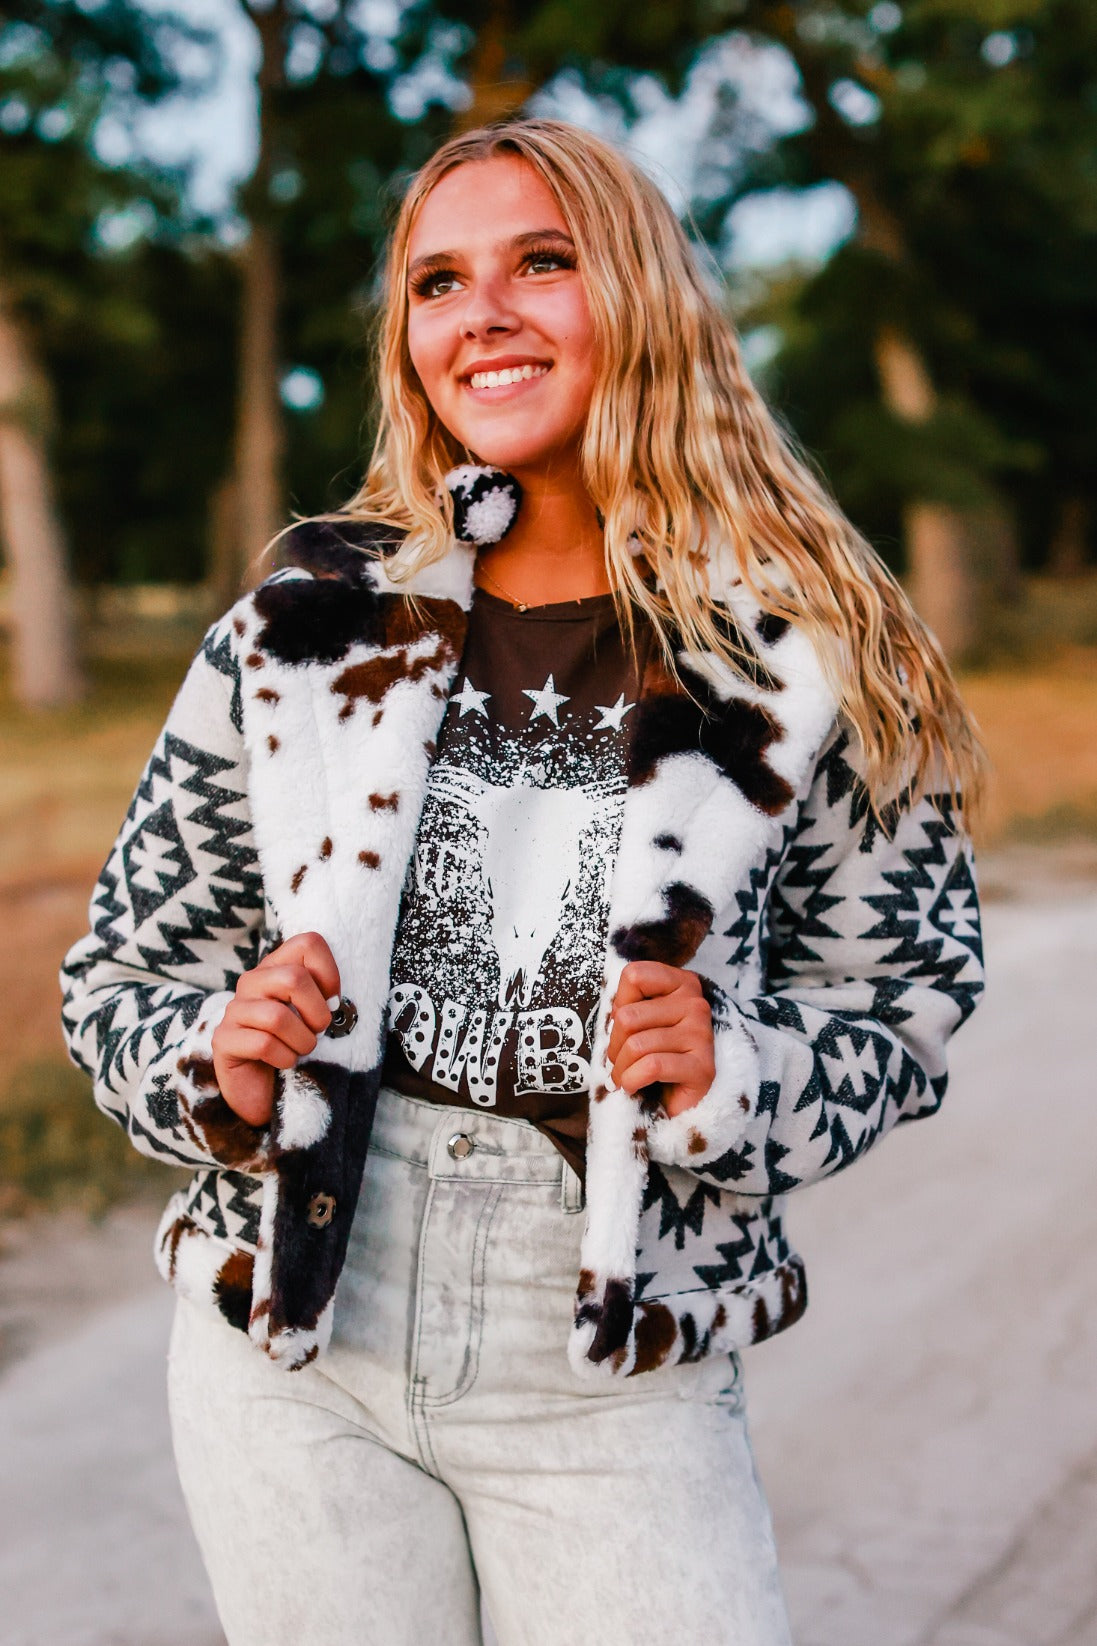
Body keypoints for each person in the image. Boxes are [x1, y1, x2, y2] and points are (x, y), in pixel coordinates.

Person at [60, 117, 986, 1646]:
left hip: (612, 1355)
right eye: (437, 282)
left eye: (539, 263)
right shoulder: (306, 622)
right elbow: (122, 972)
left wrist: (732, 1071)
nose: (480, 313)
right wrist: (215, 1058)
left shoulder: (803, 651)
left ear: (640, 295)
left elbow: (907, 995)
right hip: (293, 1326)